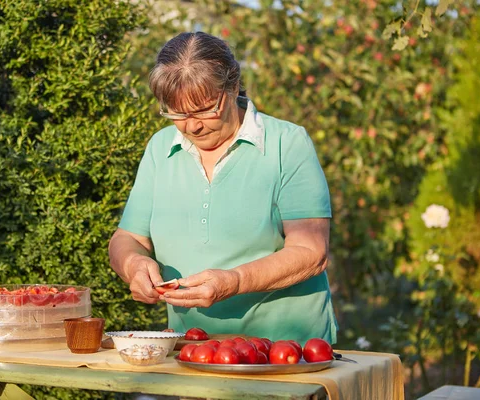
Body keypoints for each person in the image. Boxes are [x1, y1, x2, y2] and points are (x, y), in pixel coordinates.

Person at [108, 31, 337, 343]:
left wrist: (235, 281)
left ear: (232, 86)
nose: (192, 126)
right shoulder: (160, 148)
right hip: (191, 344)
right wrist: (133, 264)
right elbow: (128, 237)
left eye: (204, 110)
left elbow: (311, 252)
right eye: (177, 113)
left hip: (284, 348)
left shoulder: (287, 144)